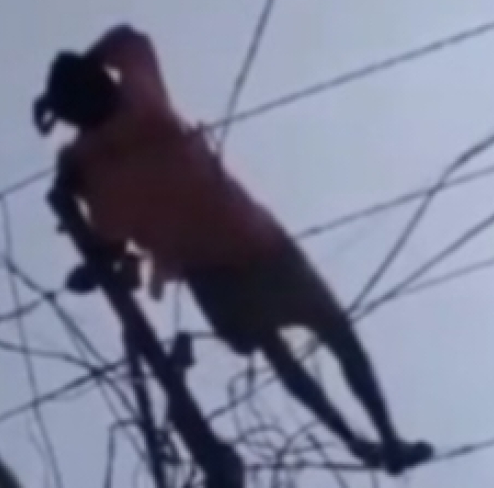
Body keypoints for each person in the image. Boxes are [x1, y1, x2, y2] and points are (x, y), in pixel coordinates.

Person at [34, 24, 434, 475]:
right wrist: (71, 94)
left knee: (282, 354)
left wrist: (73, 192)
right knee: (334, 335)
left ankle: (361, 442)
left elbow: (108, 238)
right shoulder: (138, 101)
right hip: (254, 243)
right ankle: (383, 441)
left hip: (215, 273)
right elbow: (129, 38)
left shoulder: (94, 165)